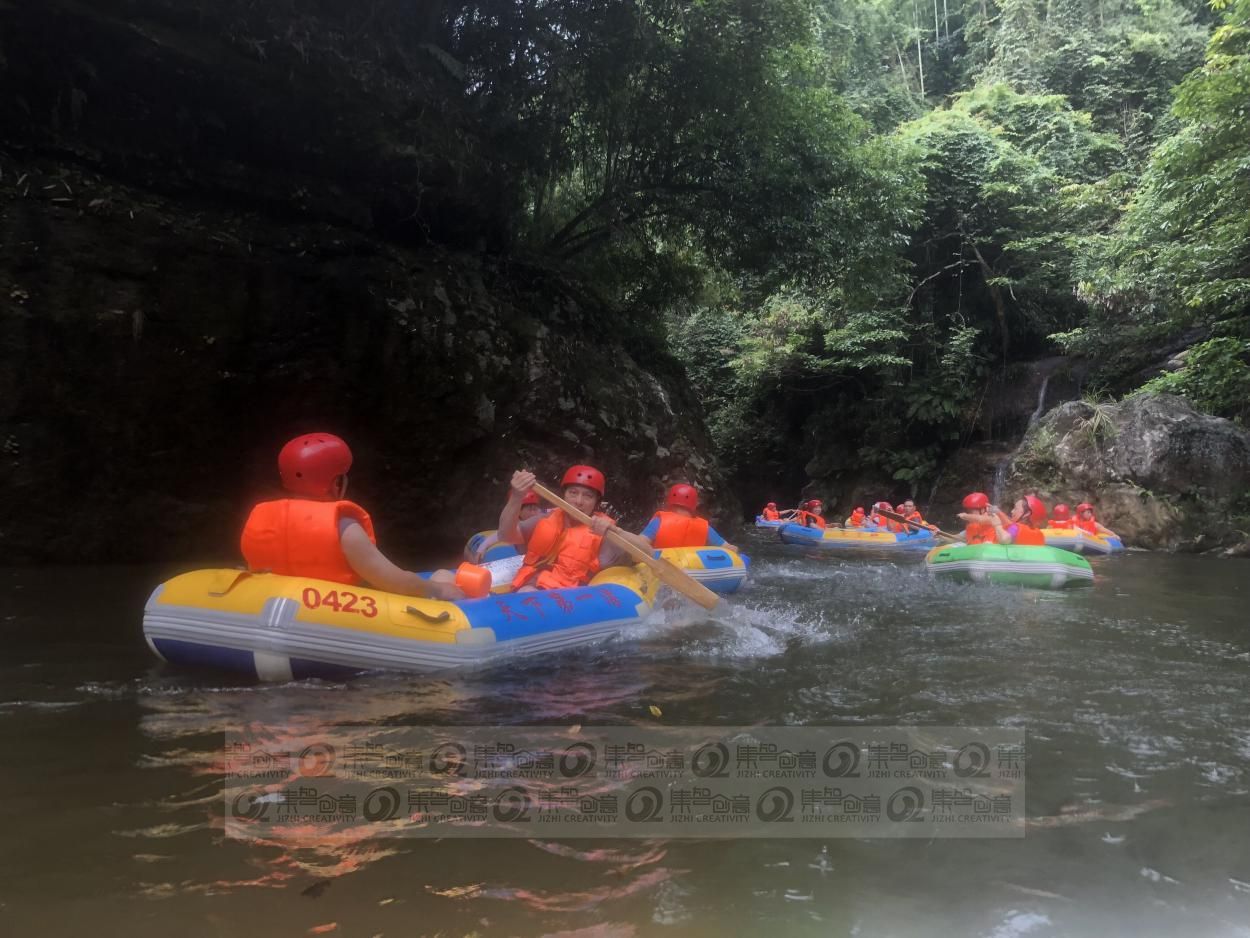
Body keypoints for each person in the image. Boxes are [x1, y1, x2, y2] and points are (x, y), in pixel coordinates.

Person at [241, 433, 469, 599]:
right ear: (336, 483)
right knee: (443, 576)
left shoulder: (262, 516)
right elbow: (395, 582)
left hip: (275, 607)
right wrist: (438, 589)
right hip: (337, 616)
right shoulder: (343, 527)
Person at [499, 465, 654, 592]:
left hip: (571, 600)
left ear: (596, 502)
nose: (579, 501)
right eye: (573, 493)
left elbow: (648, 553)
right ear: (564, 495)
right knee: (527, 591)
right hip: (530, 587)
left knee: (527, 592)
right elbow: (505, 535)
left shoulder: (603, 532)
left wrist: (617, 532)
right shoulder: (545, 519)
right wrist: (516, 497)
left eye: (588, 496)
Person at [642, 484, 738, 551]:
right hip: (692, 569)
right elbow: (730, 548)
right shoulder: (705, 528)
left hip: (661, 567)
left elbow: (641, 542)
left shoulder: (659, 521)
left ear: (669, 502)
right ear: (694, 505)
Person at [469, 491, 545, 561]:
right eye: (530, 509)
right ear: (519, 512)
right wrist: (481, 550)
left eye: (535, 509)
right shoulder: (516, 525)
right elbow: (499, 535)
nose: (533, 513)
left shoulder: (542, 516)